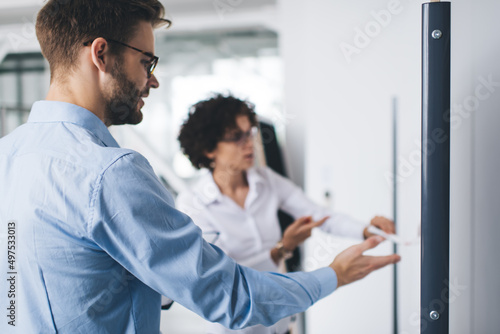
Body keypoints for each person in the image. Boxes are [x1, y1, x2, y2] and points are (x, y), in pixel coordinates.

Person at [0, 1, 400, 333]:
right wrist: (334, 275)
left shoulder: (8, 155)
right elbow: (231, 297)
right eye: (147, 62)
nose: (152, 81)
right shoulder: (109, 173)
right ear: (101, 54)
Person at [176, 94, 396, 334]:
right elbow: (221, 275)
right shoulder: (193, 202)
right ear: (208, 148)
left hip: (280, 324)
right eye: (236, 137)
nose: (249, 143)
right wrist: (282, 249)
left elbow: (320, 215)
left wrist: (366, 229)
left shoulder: (267, 180)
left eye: (250, 133)